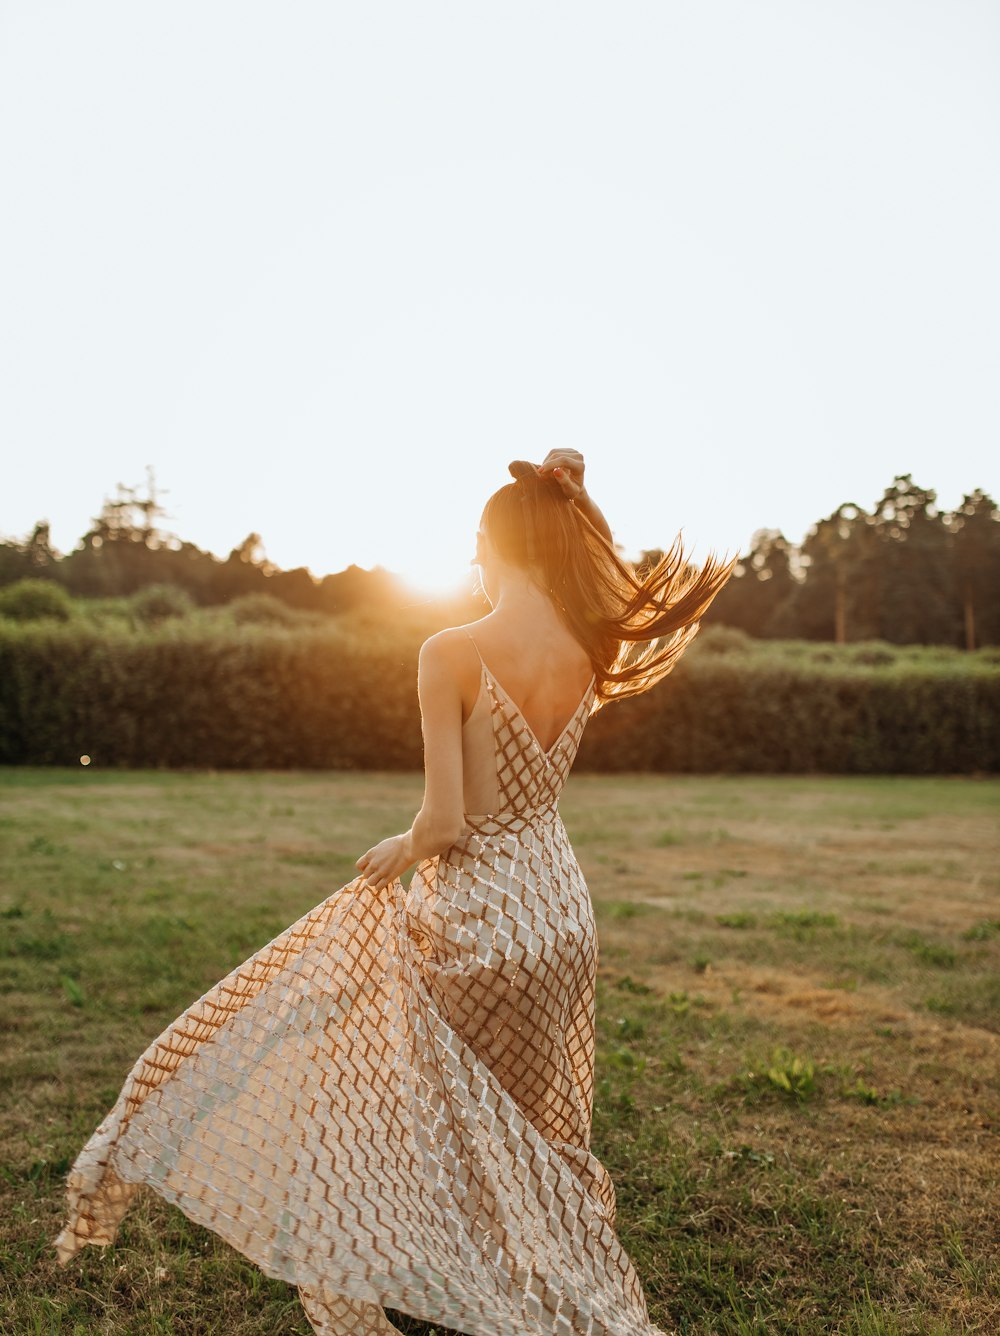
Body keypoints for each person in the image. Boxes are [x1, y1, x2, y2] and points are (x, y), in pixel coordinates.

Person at [56, 451, 733, 1336]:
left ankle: (447, 1287)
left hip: (480, 918)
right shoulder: (587, 646)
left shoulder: (451, 649)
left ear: (498, 545)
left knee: (403, 1097)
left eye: (478, 546)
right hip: (560, 913)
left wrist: (396, 846)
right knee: (529, 1134)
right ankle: (516, 1279)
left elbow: (445, 826)